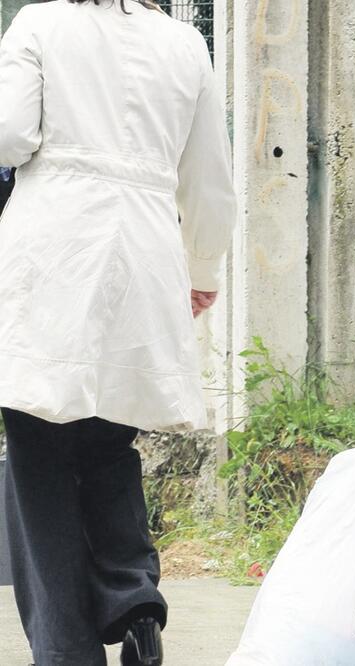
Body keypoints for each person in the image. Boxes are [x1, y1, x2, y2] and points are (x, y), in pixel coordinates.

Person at [0, 1, 236, 664]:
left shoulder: (40, 25)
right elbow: (208, 177)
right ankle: (134, 602)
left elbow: (9, 133)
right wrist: (203, 265)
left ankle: (65, 647)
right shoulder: (186, 43)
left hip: (53, 252)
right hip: (145, 253)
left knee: (40, 458)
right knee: (109, 443)